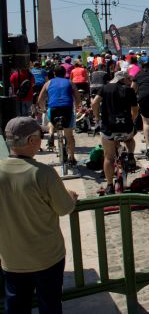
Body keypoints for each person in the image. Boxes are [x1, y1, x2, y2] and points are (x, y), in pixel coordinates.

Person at [0, 117, 78, 314]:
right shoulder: (43, 173)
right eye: (40, 136)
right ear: (31, 141)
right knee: (50, 305)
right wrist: (70, 196)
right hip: (46, 257)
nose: (42, 140)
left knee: (16, 307)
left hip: (11, 258)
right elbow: (64, 208)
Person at [91, 71, 139, 194]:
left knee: (108, 157)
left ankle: (109, 185)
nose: (129, 81)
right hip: (126, 127)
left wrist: (97, 117)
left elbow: (94, 103)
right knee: (129, 138)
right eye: (128, 79)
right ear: (123, 79)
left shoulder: (104, 88)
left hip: (109, 129)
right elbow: (135, 109)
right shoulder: (129, 90)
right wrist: (132, 120)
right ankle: (131, 155)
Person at [38, 65, 81, 164]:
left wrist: (44, 108)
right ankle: (72, 157)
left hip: (53, 109)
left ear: (54, 74)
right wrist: (76, 106)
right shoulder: (70, 82)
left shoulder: (48, 83)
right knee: (69, 136)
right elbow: (78, 98)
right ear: (65, 73)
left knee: (50, 118)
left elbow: (40, 99)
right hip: (67, 109)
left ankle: (51, 133)